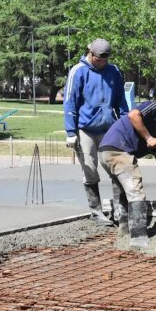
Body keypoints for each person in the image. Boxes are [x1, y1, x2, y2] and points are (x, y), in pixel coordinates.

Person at [98, 96, 156, 247]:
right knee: (136, 193)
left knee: (125, 192)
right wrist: (148, 138)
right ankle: (139, 239)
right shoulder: (152, 106)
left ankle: (124, 232)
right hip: (118, 150)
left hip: (106, 152)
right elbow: (133, 115)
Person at [64, 38, 129, 225]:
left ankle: (119, 210)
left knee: (116, 167)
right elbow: (70, 102)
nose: (102, 63)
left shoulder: (113, 71)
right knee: (90, 169)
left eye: (105, 60)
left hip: (109, 128)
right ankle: (96, 212)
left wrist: (125, 125)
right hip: (85, 129)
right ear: (90, 53)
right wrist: (71, 132)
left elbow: (121, 101)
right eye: (98, 59)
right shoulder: (78, 71)